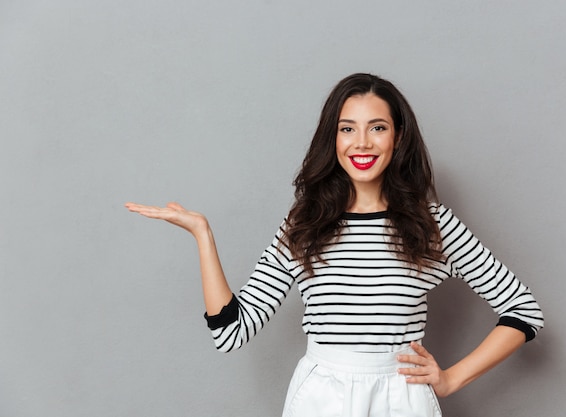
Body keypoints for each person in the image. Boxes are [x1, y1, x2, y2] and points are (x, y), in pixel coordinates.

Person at [125, 73, 544, 417]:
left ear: (397, 138)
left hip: (401, 399)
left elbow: (524, 312)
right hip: (320, 399)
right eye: (348, 129)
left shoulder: (431, 225)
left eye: (377, 128)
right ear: (334, 139)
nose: (361, 142)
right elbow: (232, 330)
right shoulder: (304, 223)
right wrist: (203, 234)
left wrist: (451, 379)